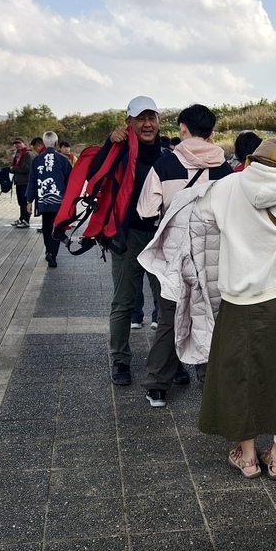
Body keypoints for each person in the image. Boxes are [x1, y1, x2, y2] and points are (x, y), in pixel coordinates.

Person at [193, 137, 276, 479]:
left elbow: (198, 212)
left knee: (239, 376)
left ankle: (249, 457)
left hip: (237, 300)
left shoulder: (228, 185)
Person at [136, 104, 236, 407]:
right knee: (211, 317)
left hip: (176, 258)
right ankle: (211, 382)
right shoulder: (226, 171)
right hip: (213, 257)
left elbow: (146, 212)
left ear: (182, 129)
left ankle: (157, 386)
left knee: (169, 318)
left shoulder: (164, 167)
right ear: (212, 133)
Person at [92, 96, 167, 386]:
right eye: (141, 119)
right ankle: (121, 360)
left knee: (166, 303)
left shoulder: (167, 155)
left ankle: (169, 361)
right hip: (127, 236)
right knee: (123, 302)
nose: (147, 124)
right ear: (129, 123)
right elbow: (96, 175)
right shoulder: (119, 153)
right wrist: (109, 143)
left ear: (159, 122)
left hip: (161, 237)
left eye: (152, 118)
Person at [25, 131, 73, 268]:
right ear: (56, 143)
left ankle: (49, 251)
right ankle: (52, 253)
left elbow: (32, 181)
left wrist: (29, 201)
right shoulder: (64, 160)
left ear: (44, 143)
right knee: (56, 226)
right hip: (59, 201)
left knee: (46, 226)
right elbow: (71, 182)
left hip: (43, 202)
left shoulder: (37, 160)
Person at [9, 137, 34, 227]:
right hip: (19, 181)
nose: (17, 145)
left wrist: (14, 168)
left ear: (23, 143)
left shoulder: (27, 154)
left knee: (26, 202)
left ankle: (26, 220)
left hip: (26, 182)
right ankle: (21, 218)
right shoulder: (17, 154)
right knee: (21, 202)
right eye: (15, 144)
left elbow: (27, 168)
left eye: (19, 143)